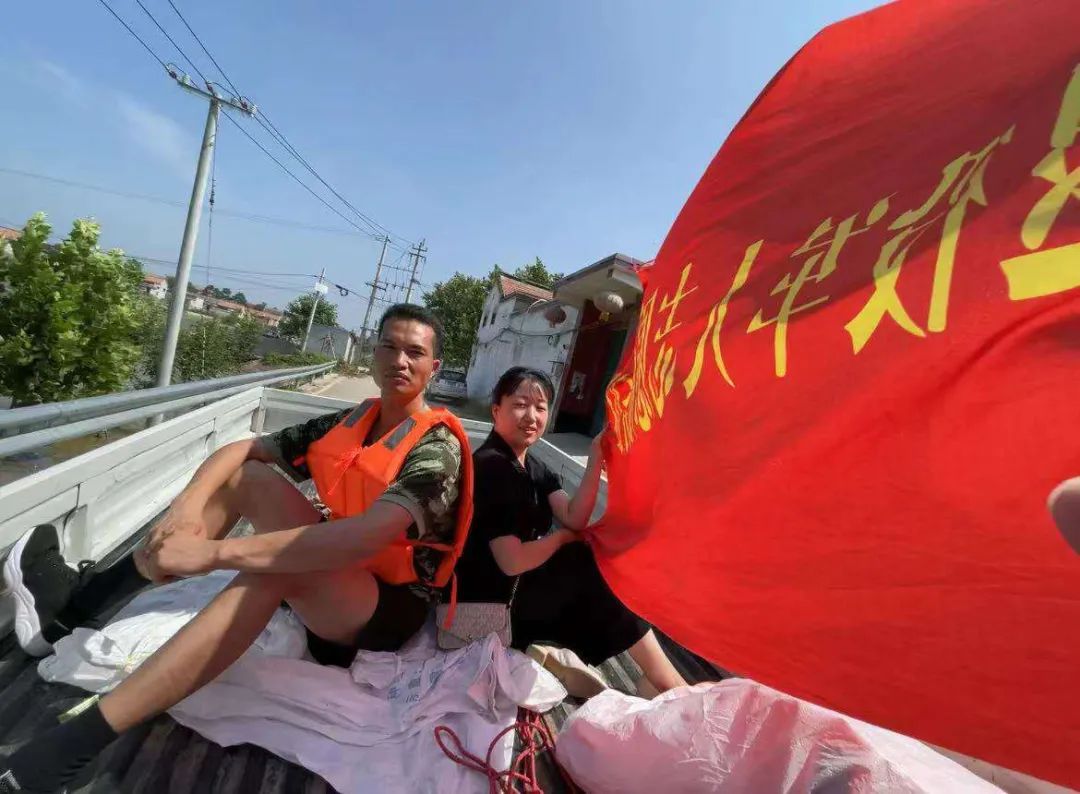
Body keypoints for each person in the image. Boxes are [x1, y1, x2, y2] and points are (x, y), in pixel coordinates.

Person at [0, 303, 472, 793]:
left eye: (414, 352)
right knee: (246, 477)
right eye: (390, 346)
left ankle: (69, 751)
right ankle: (82, 604)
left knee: (276, 568)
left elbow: (365, 536)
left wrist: (212, 556)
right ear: (373, 353)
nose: (400, 360)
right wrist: (186, 507)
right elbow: (243, 449)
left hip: (385, 609)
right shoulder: (358, 418)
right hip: (340, 574)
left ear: (433, 368)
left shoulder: (437, 448)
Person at [454, 366, 687, 698]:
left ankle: (651, 673)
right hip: (484, 606)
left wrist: (596, 456)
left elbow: (573, 516)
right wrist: (562, 539)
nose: (531, 416)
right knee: (581, 561)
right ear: (496, 410)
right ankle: (664, 678)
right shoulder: (491, 467)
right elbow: (511, 561)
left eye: (541, 406)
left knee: (589, 557)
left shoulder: (531, 466)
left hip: (515, 594)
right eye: (520, 404)